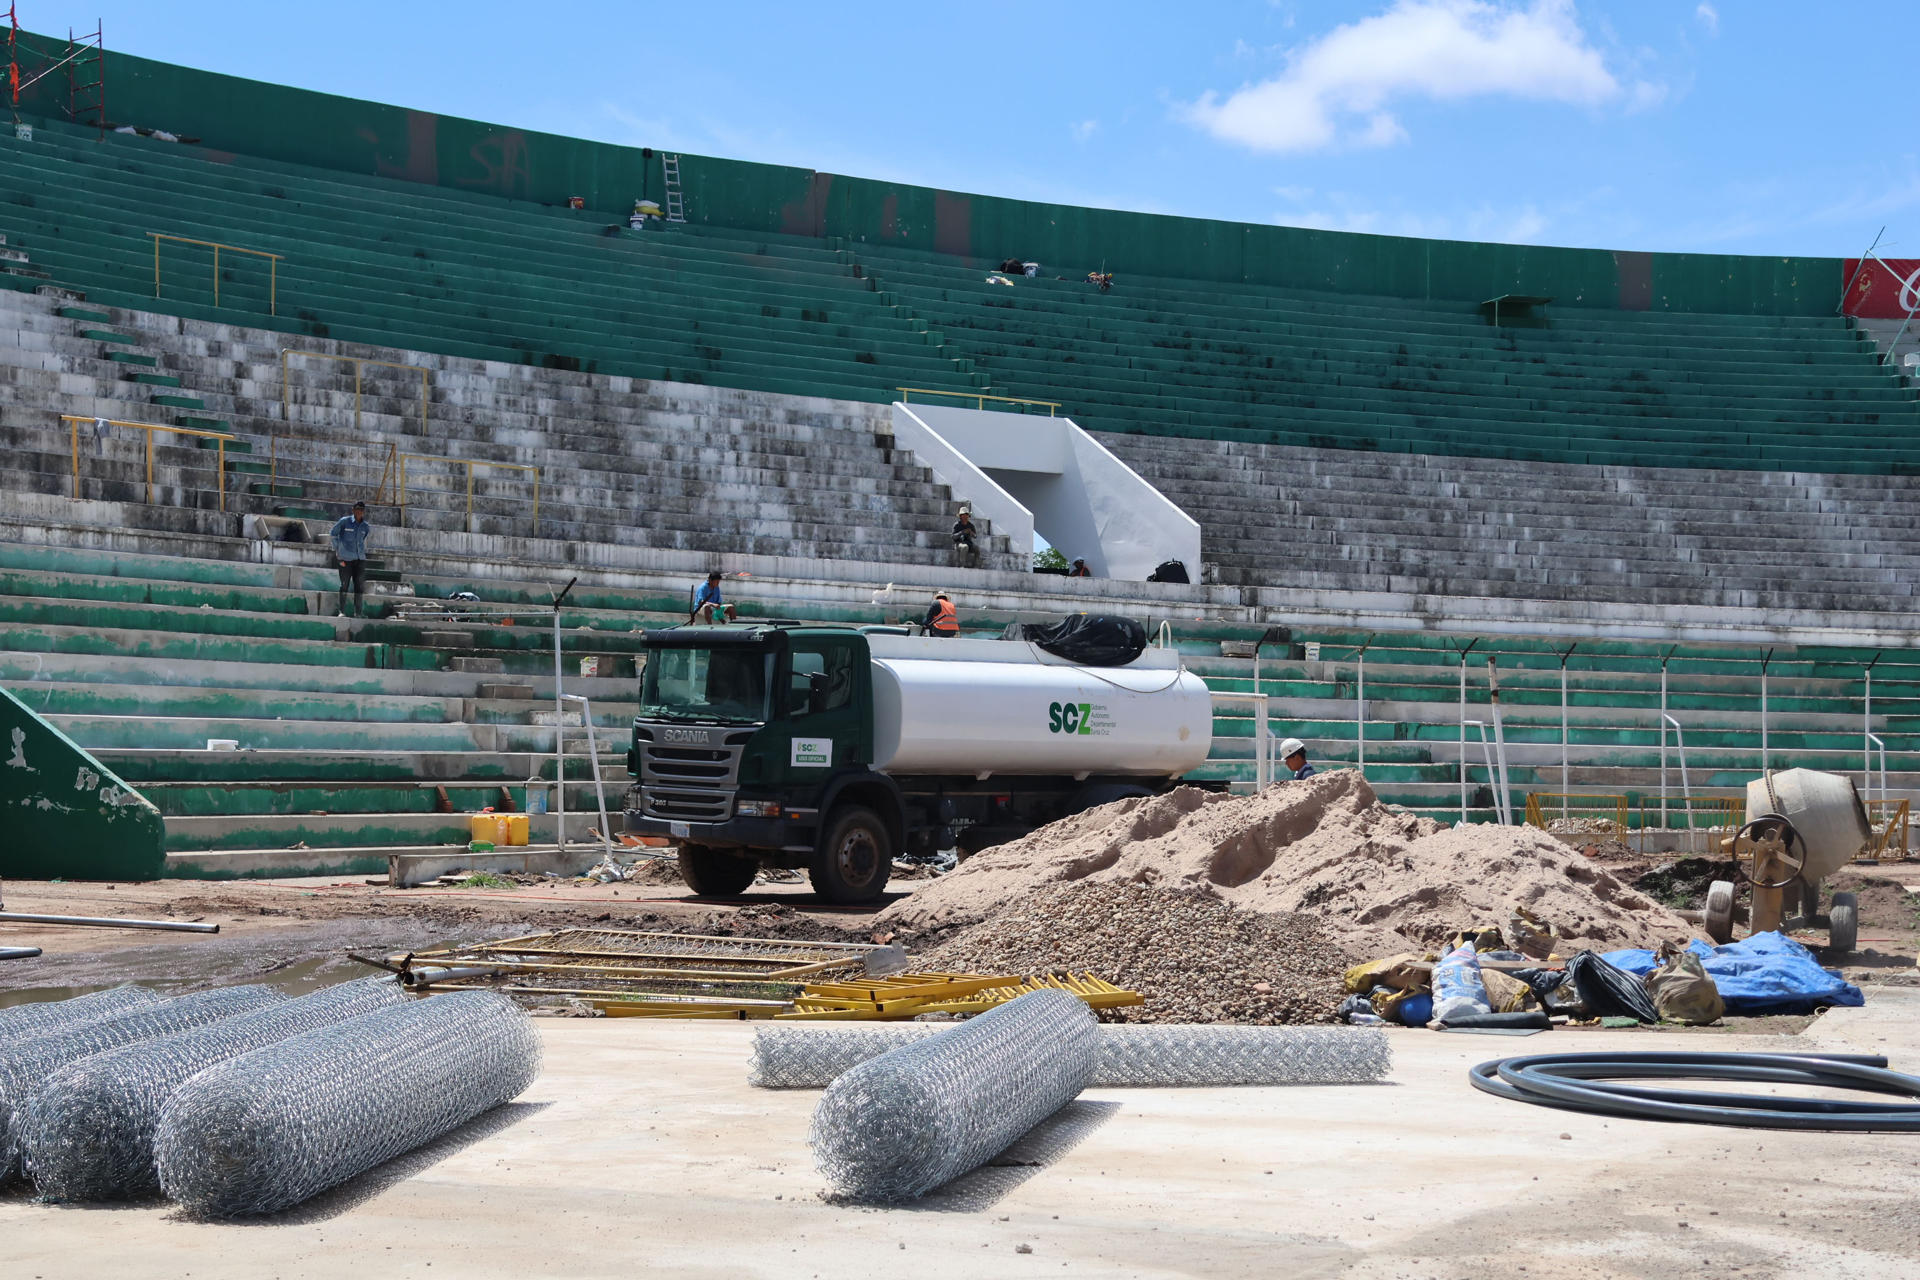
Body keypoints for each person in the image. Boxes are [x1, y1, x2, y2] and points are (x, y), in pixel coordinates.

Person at [329, 501, 372, 618]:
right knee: (344, 584)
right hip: (345, 559)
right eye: (357, 509)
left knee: (359, 586)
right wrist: (338, 549)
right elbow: (333, 534)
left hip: (360, 559)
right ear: (353, 510)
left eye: (362, 510)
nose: (359, 512)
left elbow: (363, 539)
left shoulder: (365, 526)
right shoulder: (344, 521)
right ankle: (341, 611)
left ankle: (358, 612)